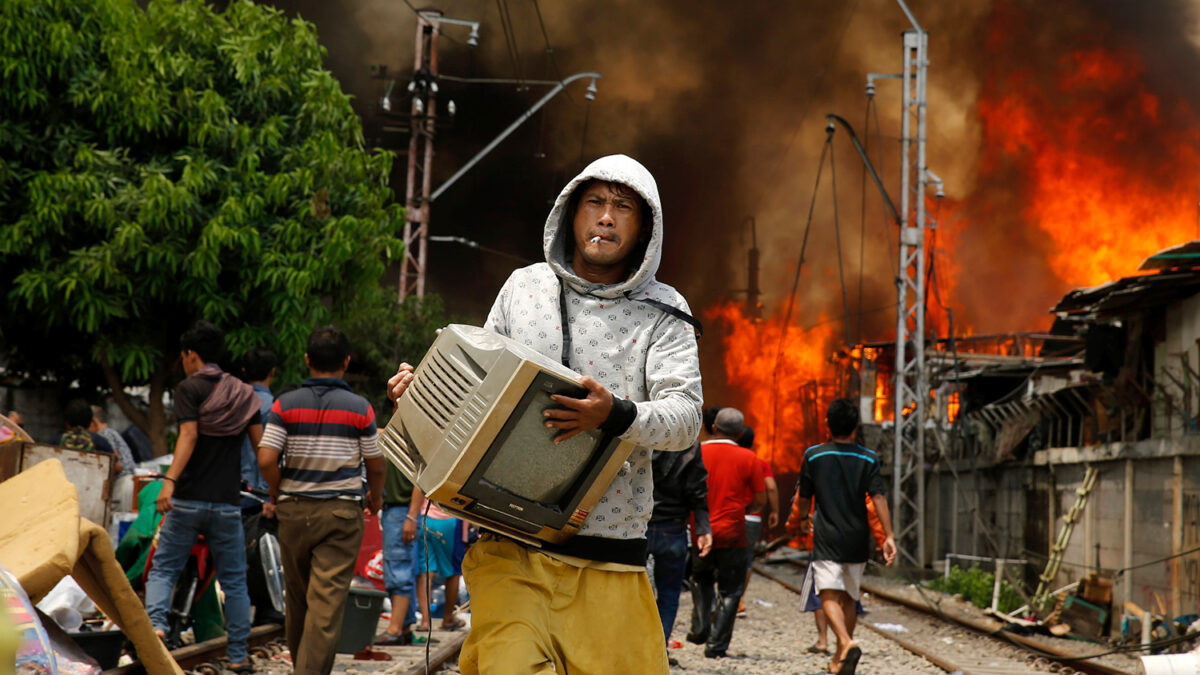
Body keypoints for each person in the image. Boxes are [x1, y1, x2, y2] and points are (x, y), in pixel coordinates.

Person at [388, 154, 703, 674]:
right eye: (595, 202)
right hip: (510, 548)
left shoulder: (665, 311)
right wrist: (424, 396)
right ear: (570, 213)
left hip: (608, 555)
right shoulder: (524, 287)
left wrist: (615, 414)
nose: (606, 217)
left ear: (646, 228)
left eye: (623, 207)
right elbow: (481, 388)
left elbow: (686, 417)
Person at [258, 326, 385, 675]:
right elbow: (375, 463)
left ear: (307, 360)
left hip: (294, 511)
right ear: (345, 362)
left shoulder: (286, 404)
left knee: (298, 600)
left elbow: (267, 458)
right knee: (325, 608)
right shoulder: (360, 408)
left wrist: (277, 488)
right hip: (341, 515)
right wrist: (375, 497)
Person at [144, 321, 263, 673]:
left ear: (191, 354)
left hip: (188, 500)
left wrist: (169, 481)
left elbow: (189, 436)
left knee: (163, 568)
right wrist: (274, 490)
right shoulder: (245, 394)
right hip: (228, 504)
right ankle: (239, 657)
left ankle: (155, 631)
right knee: (235, 582)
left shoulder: (189, 388)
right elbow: (261, 447)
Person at [794, 398, 896, 675]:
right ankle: (840, 659)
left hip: (827, 536)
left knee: (827, 593)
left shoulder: (813, 456)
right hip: (857, 537)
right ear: (855, 428)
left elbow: (805, 497)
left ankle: (846, 642)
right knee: (850, 596)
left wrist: (803, 518)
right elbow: (878, 498)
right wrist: (889, 535)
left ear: (827, 425)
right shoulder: (868, 458)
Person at [687, 407, 765, 658]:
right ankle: (716, 646)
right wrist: (743, 509)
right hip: (733, 533)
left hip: (699, 532)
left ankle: (700, 626)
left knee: (700, 579)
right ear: (740, 433)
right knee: (731, 590)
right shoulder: (749, 458)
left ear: (714, 427)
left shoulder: (696, 451)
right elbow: (760, 500)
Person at [647, 434, 712, 652]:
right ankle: (658, 649)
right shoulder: (688, 444)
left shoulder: (639, 434)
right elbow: (698, 490)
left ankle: (631, 647)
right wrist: (703, 529)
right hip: (672, 528)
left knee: (631, 589)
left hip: (638, 525)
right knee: (669, 594)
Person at [374, 462, 419, 646]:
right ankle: (405, 627)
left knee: (397, 568)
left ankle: (395, 629)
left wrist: (412, 516)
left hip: (402, 511)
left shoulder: (410, 441)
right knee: (400, 566)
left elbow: (421, 480)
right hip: (396, 510)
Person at [735, 425, 778, 617]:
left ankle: (723, 597)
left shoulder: (730, 459)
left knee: (724, 555)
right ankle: (739, 599)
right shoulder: (759, 463)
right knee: (747, 560)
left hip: (728, 514)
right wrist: (774, 510)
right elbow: (770, 488)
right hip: (752, 516)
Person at [409, 488, 466, 633]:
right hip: (450, 519)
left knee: (426, 571)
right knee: (453, 572)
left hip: (426, 518)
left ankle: (425, 621)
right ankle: (447, 618)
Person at [238, 347, 277, 509]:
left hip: (233, 492)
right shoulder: (275, 408)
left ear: (244, 372)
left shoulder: (230, 404)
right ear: (272, 373)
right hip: (264, 496)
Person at [90, 405, 137, 510]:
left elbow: (116, 465)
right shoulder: (111, 432)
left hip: (123, 484)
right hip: (127, 482)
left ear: (93, 422)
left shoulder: (104, 435)